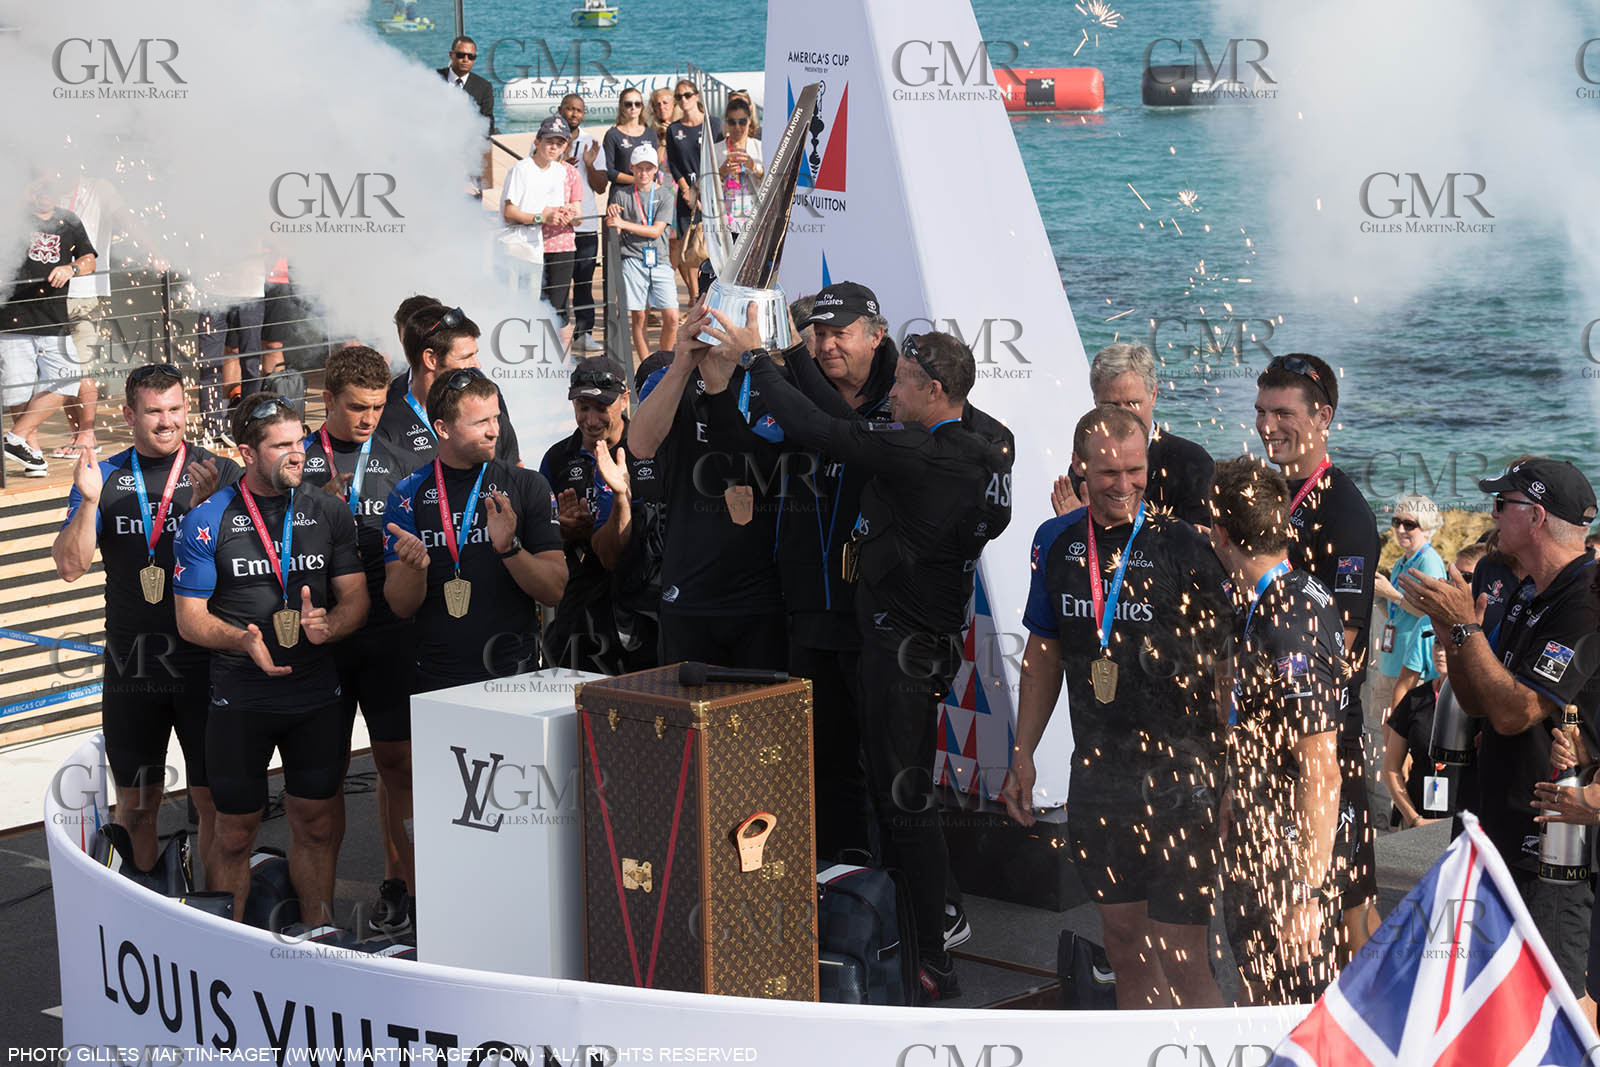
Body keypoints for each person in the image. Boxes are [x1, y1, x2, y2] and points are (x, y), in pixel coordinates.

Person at [702, 311, 1016, 1002]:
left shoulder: (921, 451)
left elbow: (821, 431)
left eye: (903, 379)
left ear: (934, 390)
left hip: (902, 653)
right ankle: (915, 933)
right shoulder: (978, 445)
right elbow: (831, 418)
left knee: (904, 801)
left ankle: (933, 952)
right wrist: (787, 351)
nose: (892, 388)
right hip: (906, 642)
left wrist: (758, 359)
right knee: (892, 794)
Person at [1004, 404, 1231, 1010]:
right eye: (1108, 472)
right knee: (1126, 947)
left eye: (1135, 470)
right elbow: (1044, 654)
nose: (1124, 485)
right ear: (1079, 468)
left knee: (1184, 960)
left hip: (1182, 780)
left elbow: (1226, 667)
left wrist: (1232, 772)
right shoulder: (1054, 542)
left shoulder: (1183, 544)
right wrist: (1022, 754)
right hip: (1100, 778)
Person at [1400, 457, 1600, 1011]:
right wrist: (1454, 633)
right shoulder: (1525, 589)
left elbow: (1515, 713)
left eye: (1500, 505)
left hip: (1555, 839)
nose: (1489, 514)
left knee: (1553, 1000)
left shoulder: (1583, 601)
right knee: (1493, 993)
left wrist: (1467, 628)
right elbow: (1477, 701)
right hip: (1498, 821)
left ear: (1535, 517)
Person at [173, 394, 368, 922]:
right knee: (235, 833)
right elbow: (189, 619)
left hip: (314, 696)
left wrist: (333, 625)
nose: (297, 452)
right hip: (241, 697)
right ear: (246, 451)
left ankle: (320, 935)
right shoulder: (207, 520)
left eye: (300, 440)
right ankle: (230, 950)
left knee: (317, 824)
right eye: (281, 445)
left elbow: (356, 599)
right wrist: (240, 640)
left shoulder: (328, 510)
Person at [51, 363, 237, 872]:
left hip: (203, 662)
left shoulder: (218, 473)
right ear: (129, 414)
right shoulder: (105, 477)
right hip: (133, 664)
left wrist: (204, 510)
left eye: (175, 409)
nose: (166, 422)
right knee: (135, 808)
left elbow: (247, 565)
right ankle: (150, 908)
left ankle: (212, 912)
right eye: (153, 411)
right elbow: (70, 565)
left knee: (213, 806)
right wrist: (88, 504)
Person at [1253, 352, 1380, 961]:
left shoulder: (1344, 512)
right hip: (1274, 736)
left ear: (1323, 416)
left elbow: (1346, 643)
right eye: (1260, 412)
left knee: (1346, 905)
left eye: (1283, 413)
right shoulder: (1273, 492)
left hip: (1324, 741)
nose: (1268, 425)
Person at [1207, 456, 1343, 1006]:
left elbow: (1321, 767)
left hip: (1287, 847)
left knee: (1286, 1003)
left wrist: (1307, 892)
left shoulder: (1285, 625)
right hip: (1263, 822)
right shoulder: (1292, 592)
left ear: (1219, 532)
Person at [298, 346, 420, 935]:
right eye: (355, 408)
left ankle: (403, 890)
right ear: (327, 400)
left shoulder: (401, 457)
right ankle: (317, 918)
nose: (368, 419)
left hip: (387, 634)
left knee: (399, 765)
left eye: (376, 406)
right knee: (322, 782)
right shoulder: (297, 458)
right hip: (321, 636)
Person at [383, 369, 566, 692]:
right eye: (480, 422)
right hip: (436, 678)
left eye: (496, 418)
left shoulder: (528, 485)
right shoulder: (406, 493)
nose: (494, 431)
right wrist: (414, 569)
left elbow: (553, 591)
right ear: (442, 428)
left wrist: (510, 548)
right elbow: (401, 606)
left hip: (514, 676)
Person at [626, 308, 788, 670]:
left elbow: (756, 466)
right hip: (689, 591)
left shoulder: (772, 380)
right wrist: (683, 363)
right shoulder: (672, 379)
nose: (719, 326)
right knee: (690, 722)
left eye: (729, 313)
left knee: (756, 722)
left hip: (761, 595)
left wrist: (719, 388)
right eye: (711, 312)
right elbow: (640, 445)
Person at [538, 356, 642, 674]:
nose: (591, 419)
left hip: (639, 609)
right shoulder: (557, 458)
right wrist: (564, 529)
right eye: (583, 407)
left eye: (602, 407)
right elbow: (541, 538)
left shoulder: (646, 449)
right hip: (578, 609)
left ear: (625, 399)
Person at [1050, 342, 1214, 529]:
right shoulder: (1089, 458)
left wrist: (1098, 526)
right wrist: (1075, 527)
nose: (1123, 414)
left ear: (1153, 395)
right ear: (1095, 400)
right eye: (1111, 406)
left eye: (1132, 403)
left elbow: (1200, 545)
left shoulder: (1191, 461)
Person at [2, 176, 96, 477]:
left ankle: (14, 440)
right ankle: (32, 453)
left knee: (66, 380)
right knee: (18, 388)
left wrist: (72, 268)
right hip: (12, 319)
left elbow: (89, 258)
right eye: (39, 187)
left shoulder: (69, 221)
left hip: (53, 318)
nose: (45, 194)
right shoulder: (12, 217)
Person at [375, 303, 521, 467]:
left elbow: (515, 470)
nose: (477, 365)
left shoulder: (488, 402)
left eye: (475, 355)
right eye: (466, 357)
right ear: (431, 359)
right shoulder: (386, 423)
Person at [500, 116, 583, 350]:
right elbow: (509, 212)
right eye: (549, 141)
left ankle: (534, 368)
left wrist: (562, 213)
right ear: (537, 141)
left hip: (535, 250)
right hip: (513, 249)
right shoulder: (521, 169)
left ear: (566, 145)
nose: (554, 146)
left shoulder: (558, 171)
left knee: (537, 314)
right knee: (514, 313)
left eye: (560, 142)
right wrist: (543, 217)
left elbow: (547, 209)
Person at [1372, 494, 1448, 717]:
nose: (1400, 529)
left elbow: (1431, 614)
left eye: (1409, 524)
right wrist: (1378, 597)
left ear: (1426, 528)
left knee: (1401, 736)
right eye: (1396, 522)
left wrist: (1391, 594)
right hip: (1392, 660)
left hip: (1413, 666)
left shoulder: (1429, 561)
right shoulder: (1401, 562)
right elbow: (1397, 614)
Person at [604, 145, 678, 363]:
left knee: (672, 317)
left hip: (660, 259)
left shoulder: (664, 193)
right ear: (631, 168)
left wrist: (622, 223)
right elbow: (615, 230)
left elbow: (656, 231)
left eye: (648, 168)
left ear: (656, 169)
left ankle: (663, 362)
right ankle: (647, 365)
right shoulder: (621, 194)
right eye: (639, 168)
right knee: (639, 316)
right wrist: (612, 221)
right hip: (633, 258)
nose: (643, 173)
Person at [1382, 642, 1455, 830]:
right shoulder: (1415, 699)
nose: (1440, 651)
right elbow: (1391, 768)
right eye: (1437, 644)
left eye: (1446, 645)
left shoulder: (1477, 704)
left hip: (1462, 826)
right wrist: (1414, 819)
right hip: (1418, 818)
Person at [559, 94, 609, 354]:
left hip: (586, 223)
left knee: (583, 283)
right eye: (569, 109)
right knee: (557, 284)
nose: (573, 114)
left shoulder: (592, 142)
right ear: (560, 110)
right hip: (557, 226)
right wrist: (560, 166)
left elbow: (601, 187)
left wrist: (589, 165)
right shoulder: (548, 139)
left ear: (584, 114)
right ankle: (557, 334)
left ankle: (584, 333)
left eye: (578, 110)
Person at [665, 80, 721, 302]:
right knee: (687, 248)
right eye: (679, 97)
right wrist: (687, 191)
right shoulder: (673, 129)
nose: (683, 100)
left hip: (711, 194)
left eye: (687, 95)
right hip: (686, 196)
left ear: (697, 96)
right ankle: (694, 297)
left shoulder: (713, 124)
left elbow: (720, 158)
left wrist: (706, 193)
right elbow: (674, 163)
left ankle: (712, 295)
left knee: (710, 246)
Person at [438, 36, 495, 192]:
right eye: (461, 55)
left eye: (471, 56)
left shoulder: (484, 87)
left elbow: (488, 121)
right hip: (436, 152)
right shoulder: (434, 78)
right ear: (451, 55)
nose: (465, 59)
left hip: (467, 158)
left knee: (471, 202)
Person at [713, 98, 764, 239]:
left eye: (742, 122)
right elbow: (706, 186)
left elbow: (771, 181)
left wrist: (753, 166)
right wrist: (721, 173)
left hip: (754, 222)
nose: (737, 127)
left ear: (749, 121)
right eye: (732, 122)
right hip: (723, 224)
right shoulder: (716, 150)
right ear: (726, 123)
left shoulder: (759, 148)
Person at [603, 88, 650, 207]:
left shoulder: (651, 134)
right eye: (628, 104)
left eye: (637, 104)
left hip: (645, 194)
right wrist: (637, 180)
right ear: (621, 107)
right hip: (620, 196)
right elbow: (609, 172)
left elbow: (655, 166)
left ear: (642, 107)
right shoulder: (613, 135)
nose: (633, 107)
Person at [648, 87, 678, 155]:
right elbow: (656, 163)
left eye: (665, 103)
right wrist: (663, 139)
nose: (661, 107)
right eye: (658, 104)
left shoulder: (682, 127)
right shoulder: (651, 132)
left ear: (674, 104)